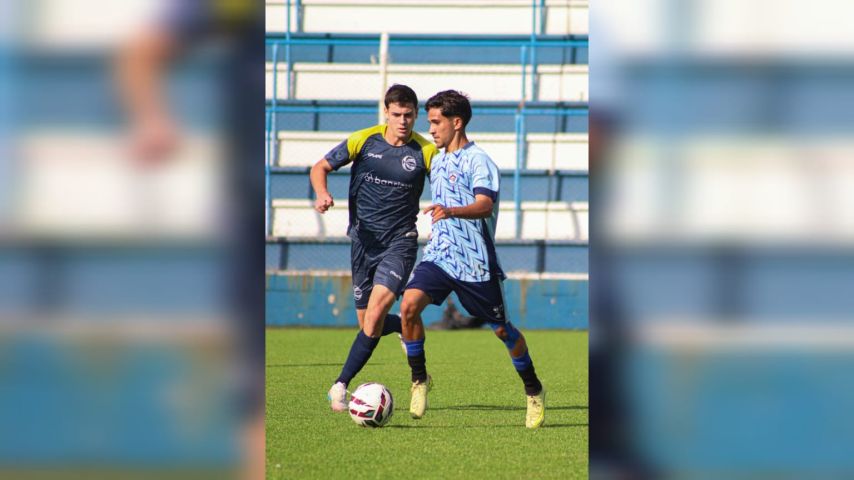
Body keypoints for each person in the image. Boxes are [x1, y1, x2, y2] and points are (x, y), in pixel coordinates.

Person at [400, 90, 545, 428]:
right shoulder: (437, 159)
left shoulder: (479, 161)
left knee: (503, 331)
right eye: (429, 122)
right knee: (408, 307)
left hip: (476, 263)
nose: (431, 129)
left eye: (436, 122)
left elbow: (484, 205)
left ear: (457, 122)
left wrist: (450, 210)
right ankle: (419, 379)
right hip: (440, 256)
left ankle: (533, 389)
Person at [310, 84, 437, 412]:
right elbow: (319, 167)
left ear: (416, 115)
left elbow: (448, 185)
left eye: (409, 115)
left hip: (400, 242)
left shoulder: (425, 151)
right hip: (363, 243)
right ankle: (403, 327)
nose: (403, 121)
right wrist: (322, 194)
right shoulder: (363, 140)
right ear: (386, 113)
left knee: (376, 312)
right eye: (397, 114)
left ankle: (340, 385)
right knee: (369, 323)